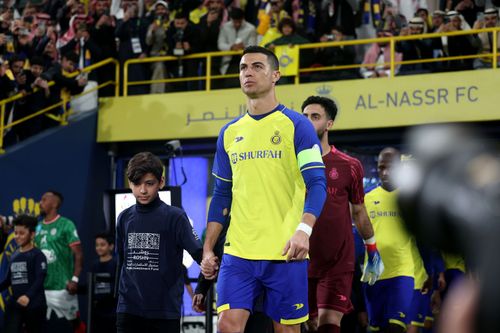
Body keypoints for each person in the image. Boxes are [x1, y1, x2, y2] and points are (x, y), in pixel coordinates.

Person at [200, 45, 327, 333]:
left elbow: (318, 184)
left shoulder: (298, 125)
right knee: (228, 325)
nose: (248, 72)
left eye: (257, 66)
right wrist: (208, 249)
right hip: (239, 252)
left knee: (286, 331)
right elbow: (221, 195)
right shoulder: (229, 133)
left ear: (275, 75)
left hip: (285, 251)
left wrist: (303, 231)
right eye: (244, 67)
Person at [302, 96, 383, 333]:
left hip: (337, 261)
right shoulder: (290, 165)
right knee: (306, 325)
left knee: (329, 324)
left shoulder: (350, 165)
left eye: (315, 117)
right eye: (304, 116)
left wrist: (372, 249)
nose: (308, 122)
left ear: (329, 124)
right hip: (298, 260)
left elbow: (359, 211)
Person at [115, 152, 202, 333]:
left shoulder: (175, 217)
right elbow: (122, 261)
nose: (143, 190)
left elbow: (201, 255)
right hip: (128, 309)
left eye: (149, 183)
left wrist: (202, 289)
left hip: (164, 311)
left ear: (161, 182)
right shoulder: (124, 218)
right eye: (137, 184)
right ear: (129, 183)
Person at [362, 148, 416, 333]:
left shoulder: (408, 199)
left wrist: (433, 271)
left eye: (390, 168)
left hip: (402, 272)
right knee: (375, 328)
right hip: (374, 274)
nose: (385, 173)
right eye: (381, 168)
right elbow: (358, 236)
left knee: (396, 327)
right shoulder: (367, 199)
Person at [35, 190, 83, 333]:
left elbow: (79, 255)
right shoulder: (38, 226)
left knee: (74, 323)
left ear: (54, 203)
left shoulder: (66, 224)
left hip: (62, 287)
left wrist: (74, 279)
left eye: (44, 199)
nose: (40, 202)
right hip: (41, 287)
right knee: (35, 323)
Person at [0, 215, 47, 333]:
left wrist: (28, 296)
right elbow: (8, 280)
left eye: (22, 233)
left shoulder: (37, 255)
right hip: (16, 303)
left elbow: (40, 278)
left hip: (34, 304)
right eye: (15, 233)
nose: (17, 236)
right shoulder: (14, 255)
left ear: (32, 234)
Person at [91, 232, 117, 333]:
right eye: (97, 245)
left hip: (111, 311)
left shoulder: (115, 264)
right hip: (98, 311)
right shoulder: (94, 265)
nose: (99, 248)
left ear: (111, 246)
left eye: (102, 245)